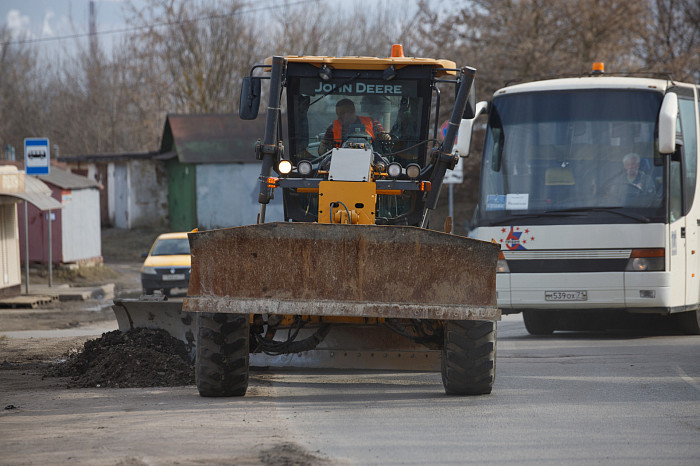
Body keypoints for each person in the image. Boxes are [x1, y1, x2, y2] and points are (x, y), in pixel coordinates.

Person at [318, 98, 390, 154]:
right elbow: (324, 149)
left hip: (372, 162)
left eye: (342, 113)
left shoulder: (372, 123)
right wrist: (322, 147)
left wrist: (385, 137)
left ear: (352, 111)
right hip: (339, 162)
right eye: (338, 114)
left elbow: (384, 138)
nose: (339, 117)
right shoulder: (332, 128)